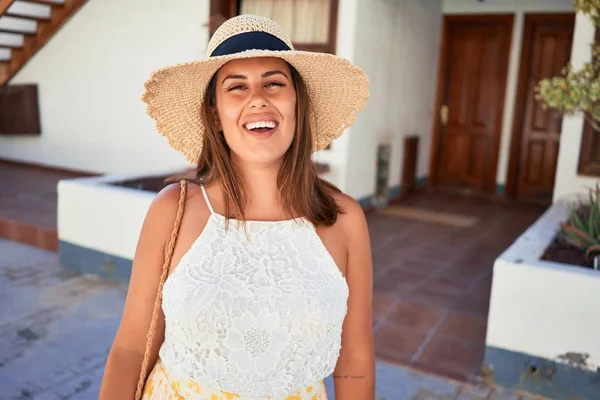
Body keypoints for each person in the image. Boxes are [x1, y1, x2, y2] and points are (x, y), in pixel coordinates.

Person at [99, 14, 373, 400]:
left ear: (298, 102)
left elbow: (356, 359)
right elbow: (130, 348)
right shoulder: (172, 210)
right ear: (215, 112)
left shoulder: (343, 219)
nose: (257, 98)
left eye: (274, 83)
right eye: (236, 87)